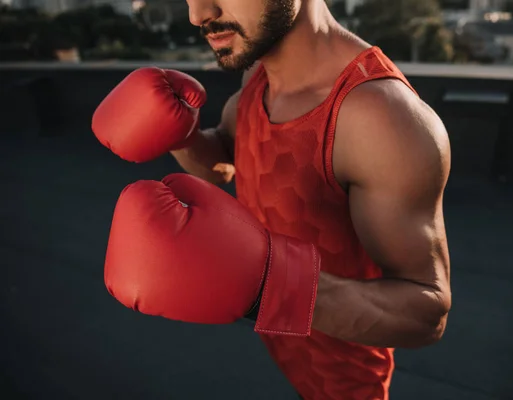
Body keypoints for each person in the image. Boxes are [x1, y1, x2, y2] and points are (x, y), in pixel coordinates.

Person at [92, 1, 452, 399]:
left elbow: (427, 313)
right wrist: (184, 137)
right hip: (287, 348)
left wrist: (273, 285)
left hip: (344, 382)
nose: (198, 15)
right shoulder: (258, 71)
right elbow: (228, 163)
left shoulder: (379, 115)